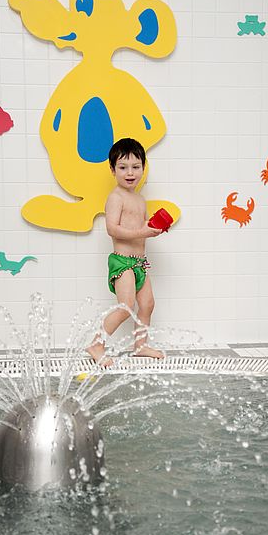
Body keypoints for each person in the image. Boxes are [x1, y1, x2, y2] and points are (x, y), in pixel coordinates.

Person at [87, 137, 164, 365]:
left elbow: (141, 227)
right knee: (126, 306)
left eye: (135, 167)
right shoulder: (116, 197)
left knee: (148, 304)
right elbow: (113, 229)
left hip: (140, 263)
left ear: (143, 167)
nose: (130, 172)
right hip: (122, 262)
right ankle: (96, 344)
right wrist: (143, 232)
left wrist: (155, 227)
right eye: (122, 167)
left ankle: (140, 345)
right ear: (112, 170)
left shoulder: (140, 199)